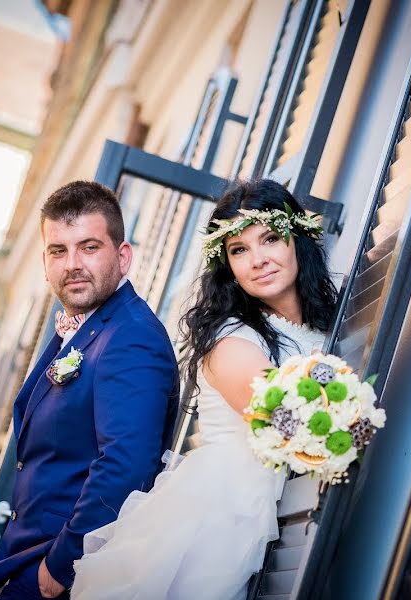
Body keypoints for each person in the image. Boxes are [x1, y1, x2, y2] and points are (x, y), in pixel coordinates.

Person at [70, 179, 338, 599]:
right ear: (226, 265)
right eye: (239, 250)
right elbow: (283, 418)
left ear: (297, 239)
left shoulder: (328, 327)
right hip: (221, 513)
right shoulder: (231, 338)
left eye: (269, 238)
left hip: (282, 509)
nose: (258, 260)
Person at [0, 181, 180, 599]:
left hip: (66, 574)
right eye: (58, 250)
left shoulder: (132, 337)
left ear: (122, 256)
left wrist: (59, 568)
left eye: (89, 247)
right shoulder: (84, 329)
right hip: (26, 560)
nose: (72, 264)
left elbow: (127, 464)